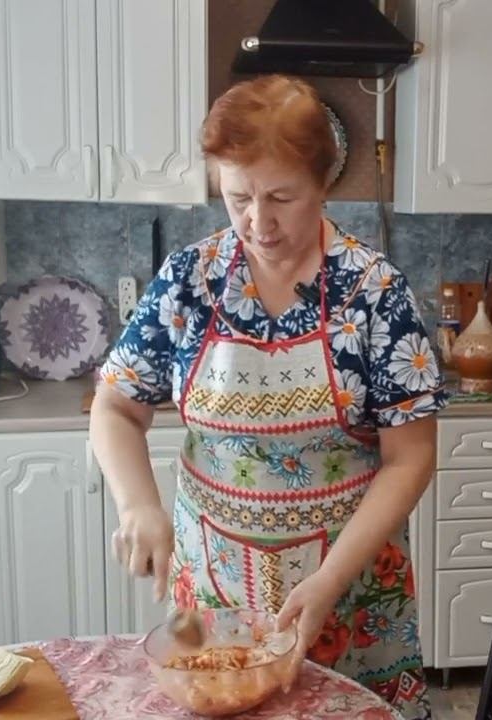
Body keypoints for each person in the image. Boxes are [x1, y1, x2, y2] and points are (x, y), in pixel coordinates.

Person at [90, 74, 445, 718]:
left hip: (348, 589)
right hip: (214, 585)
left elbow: (411, 455)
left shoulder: (374, 292)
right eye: (237, 198)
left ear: (324, 182)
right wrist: (137, 504)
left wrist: (330, 579)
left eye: (282, 197)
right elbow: (116, 405)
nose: (259, 222)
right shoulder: (190, 280)